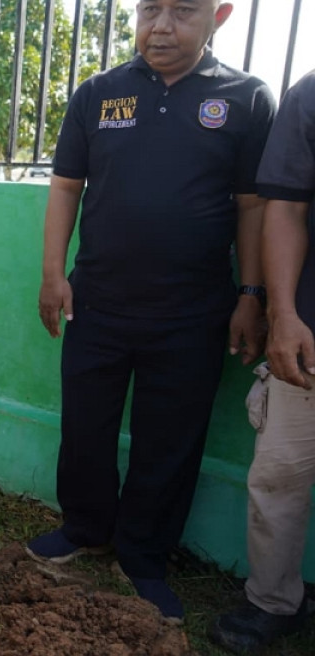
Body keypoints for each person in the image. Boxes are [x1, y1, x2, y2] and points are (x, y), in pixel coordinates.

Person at [28, 0, 275, 624]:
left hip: (194, 310)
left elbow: (254, 206)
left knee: (171, 439)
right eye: (149, 8)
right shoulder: (99, 93)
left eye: (182, 10)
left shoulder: (245, 99)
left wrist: (252, 295)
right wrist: (54, 274)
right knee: (86, 425)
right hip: (98, 300)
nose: (161, 25)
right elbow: (65, 188)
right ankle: (84, 528)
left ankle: (142, 556)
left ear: (218, 16)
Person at [208, 71, 315, 652]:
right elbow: (285, 208)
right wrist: (283, 314)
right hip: (310, 335)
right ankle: (274, 600)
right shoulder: (312, 94)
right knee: (278, 475)